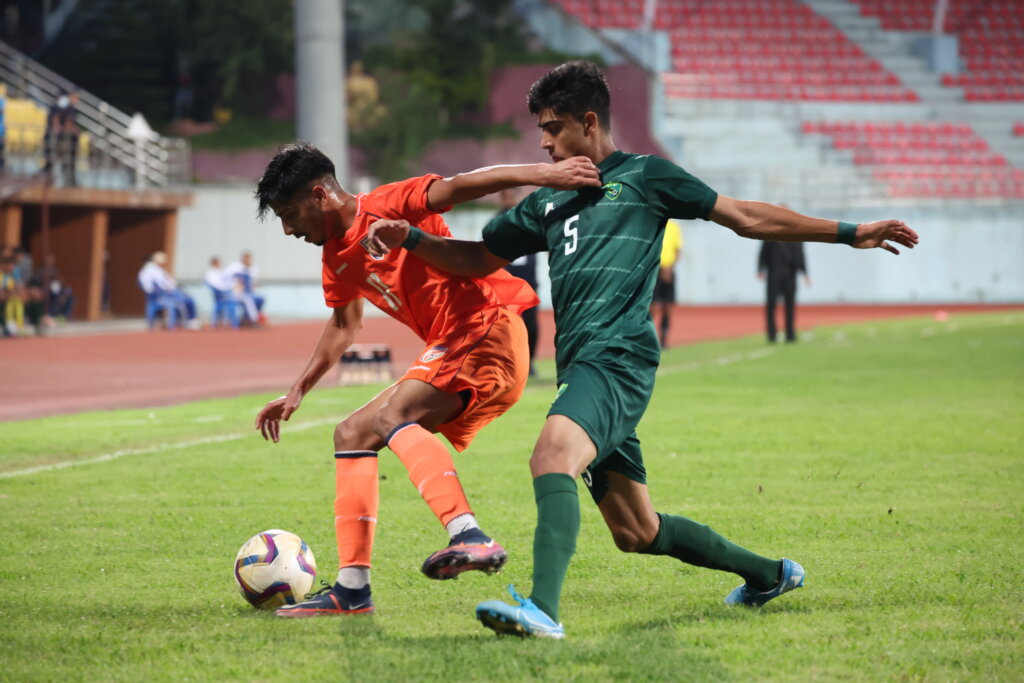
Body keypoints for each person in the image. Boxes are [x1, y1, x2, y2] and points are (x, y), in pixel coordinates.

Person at [366, 60, 919, 639]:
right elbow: (477, 258)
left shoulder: (646, 177)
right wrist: (414, 238)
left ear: (589, 121)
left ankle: (542, 612)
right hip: (581, 367)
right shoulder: (546, 203)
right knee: (637, 531)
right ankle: (771, 574)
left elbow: (744, 216)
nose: (545, 143)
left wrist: (849, 231)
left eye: (553, 129)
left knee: (551, 455)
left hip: (618, 358)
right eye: (540, 132)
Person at [252, 143, 601, 618]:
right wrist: (297, 390)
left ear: (320, 195)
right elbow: (343, 324)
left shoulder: (389, 204)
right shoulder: (335, 256)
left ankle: (468, 535)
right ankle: (353, 590)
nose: (289, 229)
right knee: (352, 433)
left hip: (485, 329)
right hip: (459, 347)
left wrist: (544, 173)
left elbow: (462, 184)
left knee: (393, 415)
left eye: (290, 214)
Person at [498, 188, 540, 376]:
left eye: (511, 195)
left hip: (529, 282)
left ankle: (529, 363)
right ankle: (507, 363)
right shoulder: (496, 221)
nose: (509, 199)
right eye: (505, 195)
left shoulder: (527, 219)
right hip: (506, 284)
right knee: (505, 326)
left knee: (531, 324)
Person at [758, 238, 809, 343]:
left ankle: (790, 335)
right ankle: (772, 335)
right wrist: (761, 269)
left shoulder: (797, 236)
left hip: (791, 275)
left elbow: (800, 254)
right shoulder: (771, 234)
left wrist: (805, 273)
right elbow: (763, 252)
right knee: (771, 305)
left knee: (790, 306)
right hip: (774, 274)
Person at [137, 251, 199, 329]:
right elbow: (147, 287)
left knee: (189, 299)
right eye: (160, 262)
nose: (162, 263)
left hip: (169, 292)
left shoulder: (161, 270)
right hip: (159, 295)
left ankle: (190, 320)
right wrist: (159, 291)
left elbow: (171, 283)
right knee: (180, 301)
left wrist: (174, 288)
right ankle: (183, 321)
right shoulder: (147, 271)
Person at [652, 219, 683, 348]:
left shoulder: (674, 227)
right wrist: (659, 268)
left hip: (669, 271)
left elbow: (678, 250)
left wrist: (669, 269)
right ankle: (649, 338)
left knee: (668, 307)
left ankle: (663, 339)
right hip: (654, 271)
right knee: (652, 307)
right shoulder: (653, 224)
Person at [44, 90, 80, 186]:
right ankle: (49, 181)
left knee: (67, 164)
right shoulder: (56, 108)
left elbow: (69, 124)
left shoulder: (70, 109)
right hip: (56, 141)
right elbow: (57, 122)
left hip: (65, 142)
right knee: (52, 162)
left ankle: (68, 183)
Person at [225, 251, 265, 326]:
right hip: (233, 292)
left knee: (259, 299)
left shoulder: (251, 269)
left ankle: (247, 318)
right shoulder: (234, 267)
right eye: (247, 259)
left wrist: (254, 286)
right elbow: (225, 278)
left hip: (245, 293)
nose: (248, 261)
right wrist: (234, 285)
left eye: (249, 259)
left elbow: (252, 283)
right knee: (248, 299)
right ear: (243, 259)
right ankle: (254, 321)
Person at [204, 256, 241, 328]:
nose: (220, 265)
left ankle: (235, 324)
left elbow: (228, 281)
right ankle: (234, 325)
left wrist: (233, 286)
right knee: (231, 302)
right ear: (214, 264)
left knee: (235, 298)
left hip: (226, 293)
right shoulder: (210, 274)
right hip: (220, 296)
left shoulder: (220, 272)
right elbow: (217, 286)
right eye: (218, 263)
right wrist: (228, 289)